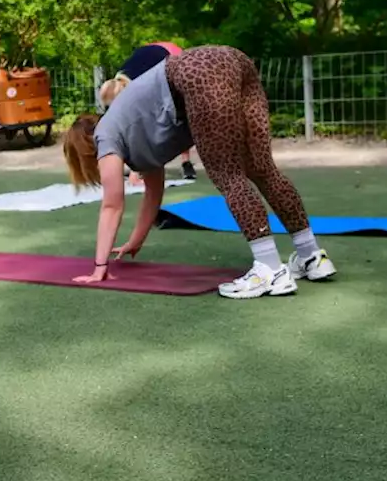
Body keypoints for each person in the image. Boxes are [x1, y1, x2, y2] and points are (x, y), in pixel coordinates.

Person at [62, 44, 338, 300]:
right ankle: (311, 256)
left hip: (198, 72)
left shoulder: (105, 134)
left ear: (84, 148)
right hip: (234, 60)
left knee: (228, 175)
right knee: (262, 169)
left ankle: (270, 270)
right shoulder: (134, 131)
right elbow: (153, 194)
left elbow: (112, 205)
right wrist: (135, 241)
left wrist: (100, 266)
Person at [99, 42, 198, 182]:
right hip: (151, 53)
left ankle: (186, 162)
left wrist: (137, 170)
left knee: (179, 115)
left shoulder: (139, 91)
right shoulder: (117, 82)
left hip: (171, 55)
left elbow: (142, 131)